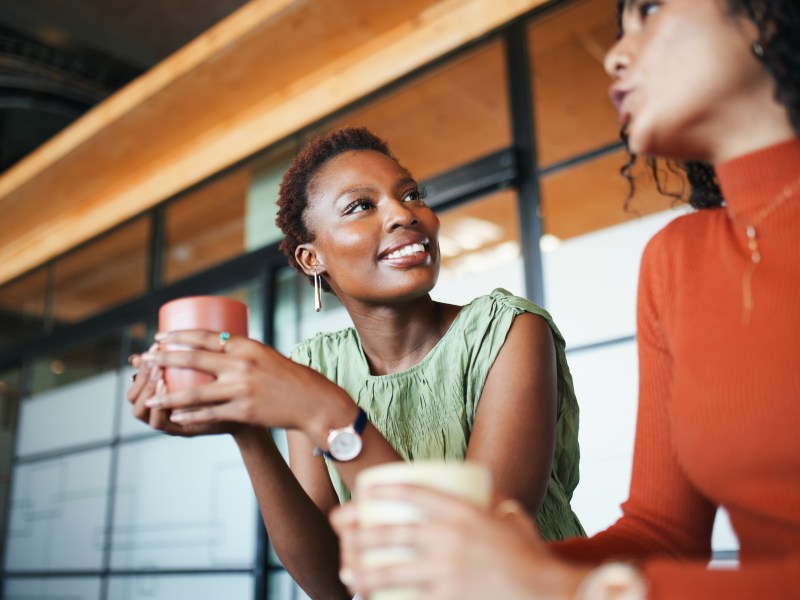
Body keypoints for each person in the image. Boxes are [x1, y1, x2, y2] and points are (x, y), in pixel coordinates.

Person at [330, 0, 800, 598]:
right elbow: (665, 533)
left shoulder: (509, 328)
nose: (615, 55)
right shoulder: (678, 258)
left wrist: (558, 586)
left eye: (649, 10)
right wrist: (489, 563)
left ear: (769, 14)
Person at [127, 126, 584, 599]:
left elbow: (482, 549)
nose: (405, 213)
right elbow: (331, 586)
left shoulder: (509, 329)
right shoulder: (314, 367)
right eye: (361, 205)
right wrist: (248, 432)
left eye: (411, 194)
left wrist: (327, 414)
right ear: (311, 258)